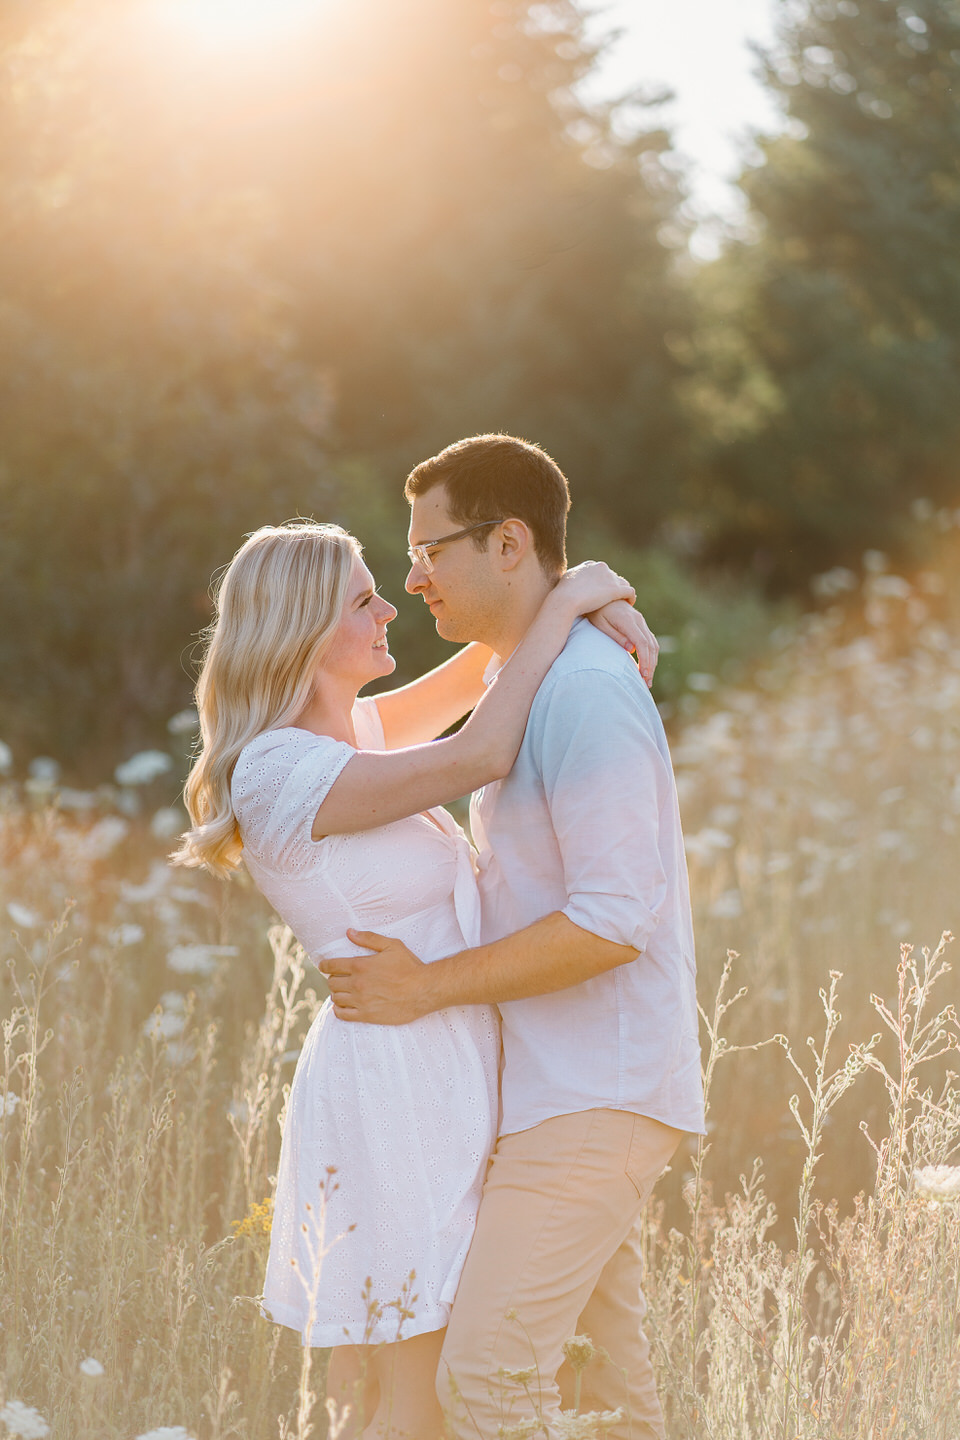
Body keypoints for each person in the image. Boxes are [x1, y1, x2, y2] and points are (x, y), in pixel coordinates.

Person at [172, 517, 654, 1439]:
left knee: (424, 1382)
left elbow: (486, 673)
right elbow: (483, 750)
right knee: (416, 1390)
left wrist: (595, 597)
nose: (393, 604)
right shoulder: (279, 773)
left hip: (441, 1057)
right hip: (395, 1082)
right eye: (364, 598)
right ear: (305, 629)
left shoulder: (350, 735)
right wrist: (577, 596)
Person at [321, 435, 706, 1440]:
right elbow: (364, 741)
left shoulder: (583, 692)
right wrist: (574, 594)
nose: (411, 579)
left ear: (507, 543)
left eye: (428, 550)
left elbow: (617, 918)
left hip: (595, 1096)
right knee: (609, 1407)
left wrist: (430, 986)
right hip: (546, 1095)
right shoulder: (528, 681)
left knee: (488, 1384)